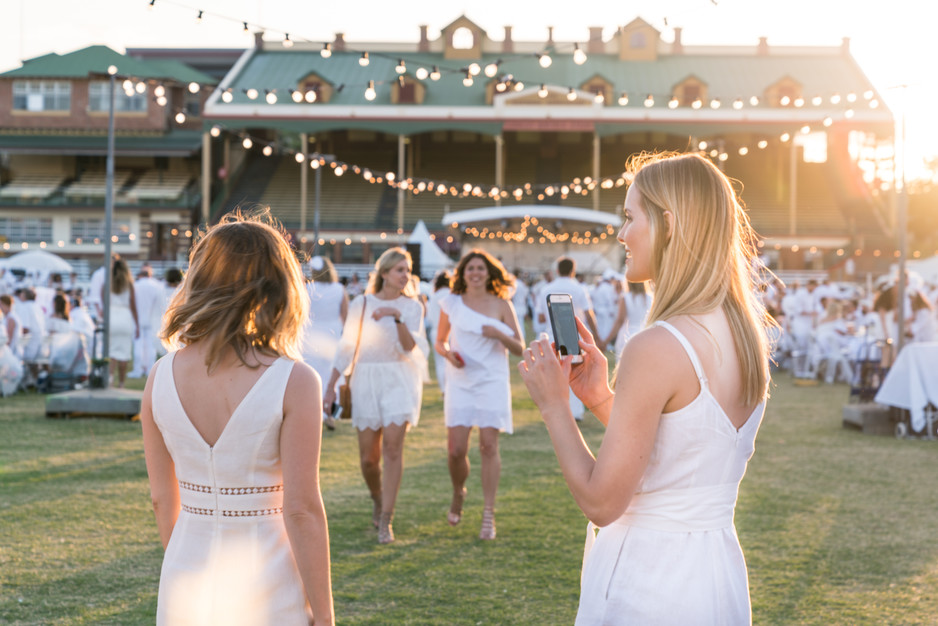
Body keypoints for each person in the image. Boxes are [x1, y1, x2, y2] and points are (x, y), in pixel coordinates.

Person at [518, 151, 774, 624]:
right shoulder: (742, 333)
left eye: (630, 217)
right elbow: (684, 450)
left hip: (652, 579)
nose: (621, 234)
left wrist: (554, 405)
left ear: (669, 224)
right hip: (714, 570)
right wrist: (597, 396)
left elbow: (602, 502)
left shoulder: (657, 345)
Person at [139, 211, 334, 625]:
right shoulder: (295, 380)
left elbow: (161, 498)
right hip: (268, 576)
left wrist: (185, 558)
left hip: (186, 569)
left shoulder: (159, 375)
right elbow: (301, 510)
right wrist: (325, 613)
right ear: (279, 283)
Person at [322, 247, 428, 544]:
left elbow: (409, 348)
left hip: (400, 378)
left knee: (393, 450)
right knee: (369, 459)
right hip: (366, 378)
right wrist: (331, 385)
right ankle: (378, 498)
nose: (405, 275)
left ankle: (386, 519)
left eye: (408, 270)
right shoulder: (362, 303)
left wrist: (396, 316)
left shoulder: (413, 306)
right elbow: (347, 345)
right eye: (399, 270)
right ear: (384, 273)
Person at [434, 250, 524, 540]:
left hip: (492, 381)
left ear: (489, 273)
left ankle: (488, 513)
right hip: (461, 379)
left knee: (488, 446)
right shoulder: (451, 303)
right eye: (470, 268)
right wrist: (449, 356)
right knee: (456, 450)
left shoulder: (502, 304)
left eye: (480, 268)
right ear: (462, 273)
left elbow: (521, 347)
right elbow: (439, 342)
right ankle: (458, 491)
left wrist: (499, 335)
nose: (475, 273)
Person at [534, 257, 602, 420]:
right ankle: (575, 413)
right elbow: (588, 314)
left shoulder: (546, 289)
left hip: (552, 336)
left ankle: (556, 410)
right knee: (575, 374)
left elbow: (541, 317)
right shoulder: (579, 288)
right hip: (574, 335)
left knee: (554, 374)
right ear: (573, 270)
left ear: (557, 270)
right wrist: (597, 337)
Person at [301, 256, 349, 431]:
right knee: (332, 380)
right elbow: (346, 317)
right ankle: (332, 416)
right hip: (332, 337)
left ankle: (312, 415)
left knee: (310, 377)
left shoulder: (306, 289)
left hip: (309, 337)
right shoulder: (339, 289)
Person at [102, 259, 139, 388]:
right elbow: (133, 306)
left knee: (111, 352)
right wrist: (137, 325)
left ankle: (110, 380)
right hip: (125, 317)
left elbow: (104, 304)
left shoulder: (107, 284)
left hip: (111, 317)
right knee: (124, 353)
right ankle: (121, 383)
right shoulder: (129, 285)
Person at [129, 265, 166, 379]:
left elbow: (131, 303)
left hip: (138, 318)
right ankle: (150, 369)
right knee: (150, 346)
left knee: (138, 345)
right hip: (152, 319)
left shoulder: (136, 285)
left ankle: (137, 369)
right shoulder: (157, 286)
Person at [426, 269, 452, 394]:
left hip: (436, 331)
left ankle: (444, 389)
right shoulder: (452, 294)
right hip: (452, 331)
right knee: (452, 362)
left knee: (440, 362)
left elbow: (430, 316)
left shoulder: (435, 296)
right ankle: (451, 389)